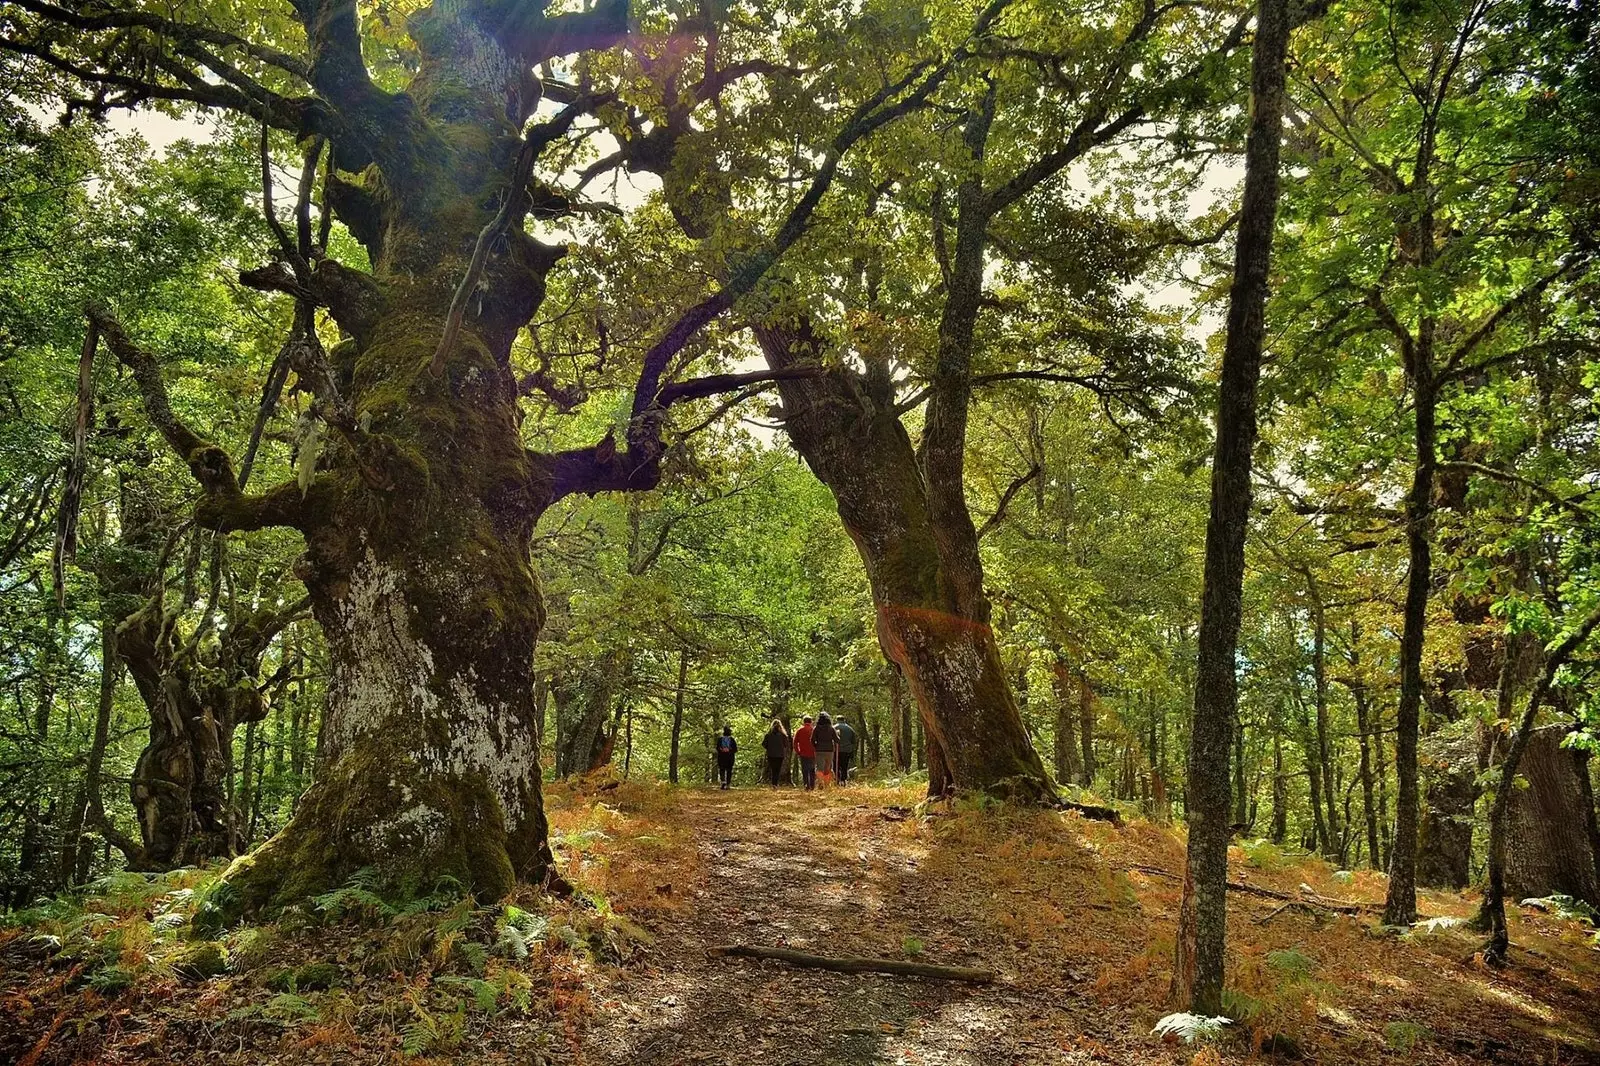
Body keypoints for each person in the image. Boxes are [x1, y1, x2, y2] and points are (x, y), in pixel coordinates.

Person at [762, 719, 790, 786]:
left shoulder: (768, 735)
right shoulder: (783, 735)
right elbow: (786, 745)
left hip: (771, 754)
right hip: (780, 755)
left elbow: (763, 744)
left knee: (773, 769)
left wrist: (769, 748)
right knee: (777, 770)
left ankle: (773, 783)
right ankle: (775, 784)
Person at [813, 712, 838, 786]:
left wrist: (816, 746)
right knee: (828, 768)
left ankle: (820, 781)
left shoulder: (816, 728)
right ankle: (827, 784)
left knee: (819, 767)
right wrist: (838, 734)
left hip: (819, 750)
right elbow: (837, 740)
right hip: (829, 750)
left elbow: (812, 739)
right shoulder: (831, 728)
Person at [794, 715, 817, 790]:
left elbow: (795, 742)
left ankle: (806, 785)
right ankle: (812, 786)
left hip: (803, 753)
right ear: (811, 722)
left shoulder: (800, 730)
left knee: (805, 770)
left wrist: (798, 751)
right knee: (812, 769)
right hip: (813, 753)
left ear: (804, 722)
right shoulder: (813, 730)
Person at [836, 714, 858, 784]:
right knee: (844, 766)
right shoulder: (850, 729)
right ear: (844, 720)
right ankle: (843, 780)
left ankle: (837, 780)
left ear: (837, 720)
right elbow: (854, 741)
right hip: (847, 750)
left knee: (836, 765)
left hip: (836, 750)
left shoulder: (834, 728)